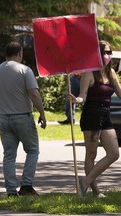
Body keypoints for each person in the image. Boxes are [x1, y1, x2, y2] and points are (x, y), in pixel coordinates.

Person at [0, 41, 46, 197]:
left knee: (9, 154)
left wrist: (0, 109)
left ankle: (11, 190)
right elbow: (33, 93)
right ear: (19, 53)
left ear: (6, 54)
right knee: (33, 150)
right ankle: (27, 185)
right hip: (22, 117)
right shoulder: (24, 70)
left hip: (3, 118)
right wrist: (42, 113)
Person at [68, 40, 121, 198]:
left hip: (105, 115)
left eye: (109, 52)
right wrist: (76, 100)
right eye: (104, 52)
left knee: (114, 153)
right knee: (91, 155)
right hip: (91, 114)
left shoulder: (111, 73)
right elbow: (82, 96)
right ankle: (95, 192)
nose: (107, 55)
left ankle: (85, 182)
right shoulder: (89, 73)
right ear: (97, 54)